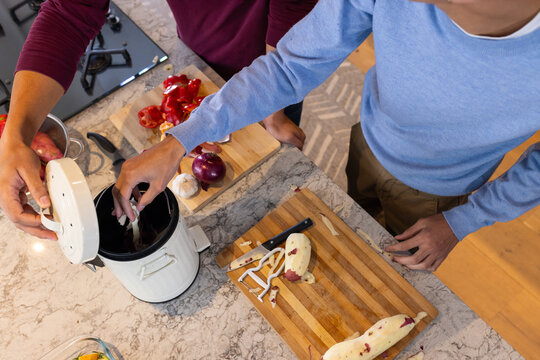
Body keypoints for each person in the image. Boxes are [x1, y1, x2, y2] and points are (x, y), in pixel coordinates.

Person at [2, 0, 539, 272]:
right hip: (372, 133)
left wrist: (462, 219)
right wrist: (177, 142)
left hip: (444, 185)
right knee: (359, 199)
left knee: (383, 253)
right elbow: (289, 66)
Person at [0, 0, 315, 238]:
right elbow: (69, 14)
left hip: (272, 61)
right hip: (196, 47)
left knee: (279, 208)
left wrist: (274, 108)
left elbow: (295, 7)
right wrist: (14, 136)